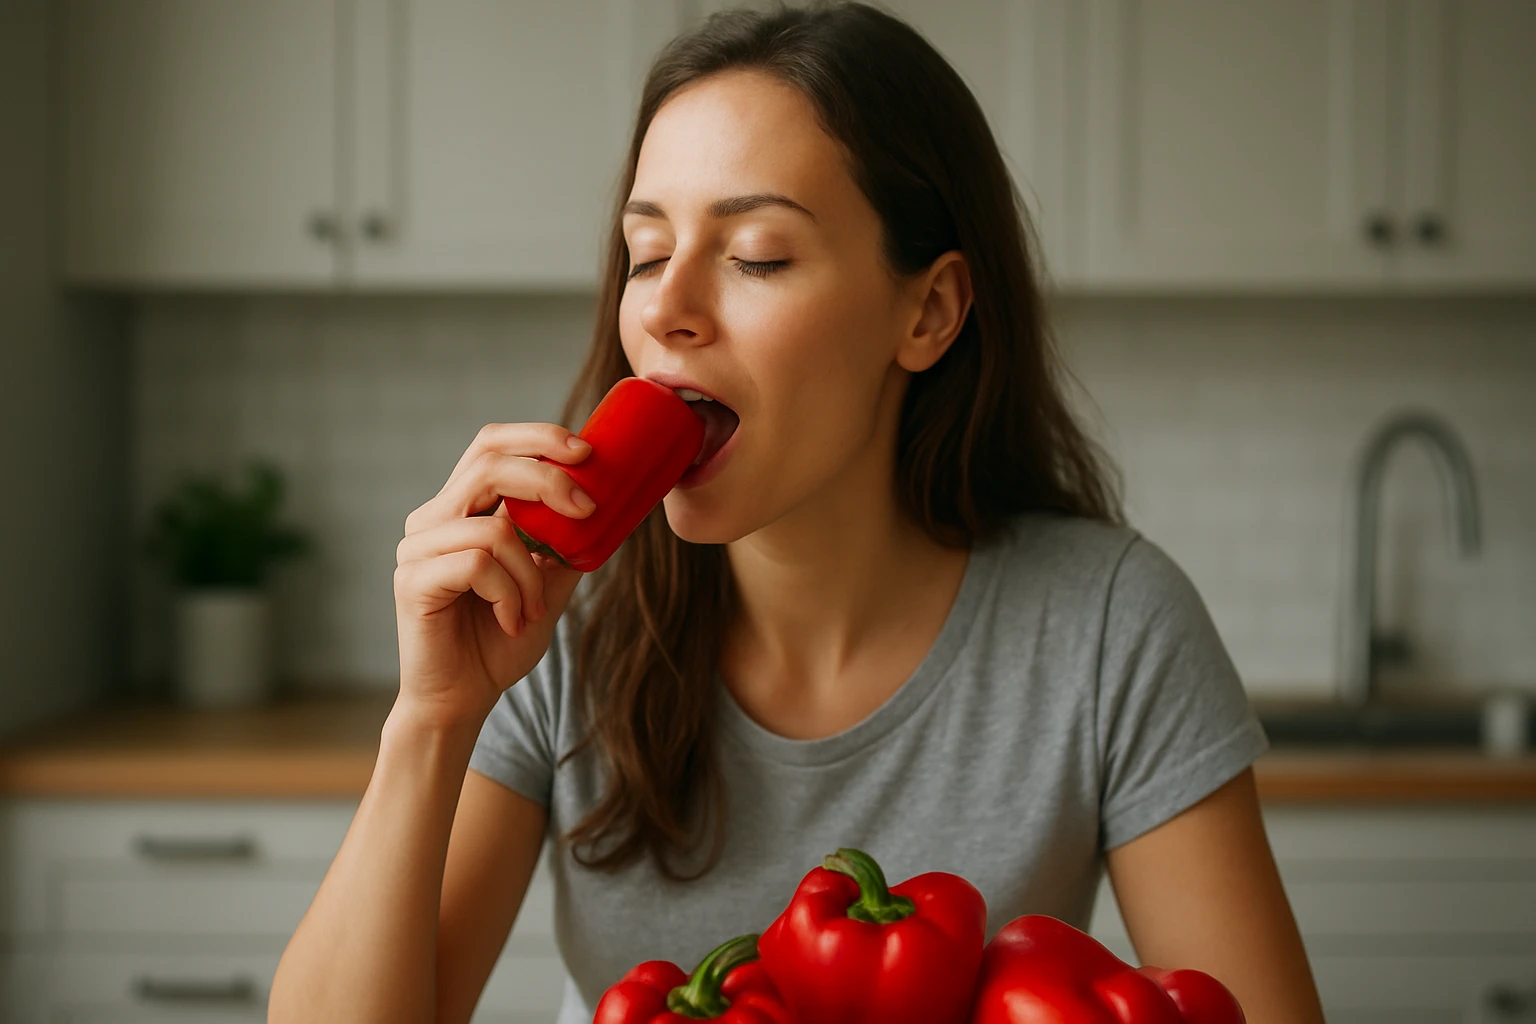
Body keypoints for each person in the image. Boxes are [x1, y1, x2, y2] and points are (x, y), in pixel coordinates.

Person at [270, 3, 1326, 1022]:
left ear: (929, 311)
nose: (667, 308)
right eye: (644, 254)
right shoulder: (554, 618)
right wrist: (432, 718)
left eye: (757, 256)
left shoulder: (1109, 626)